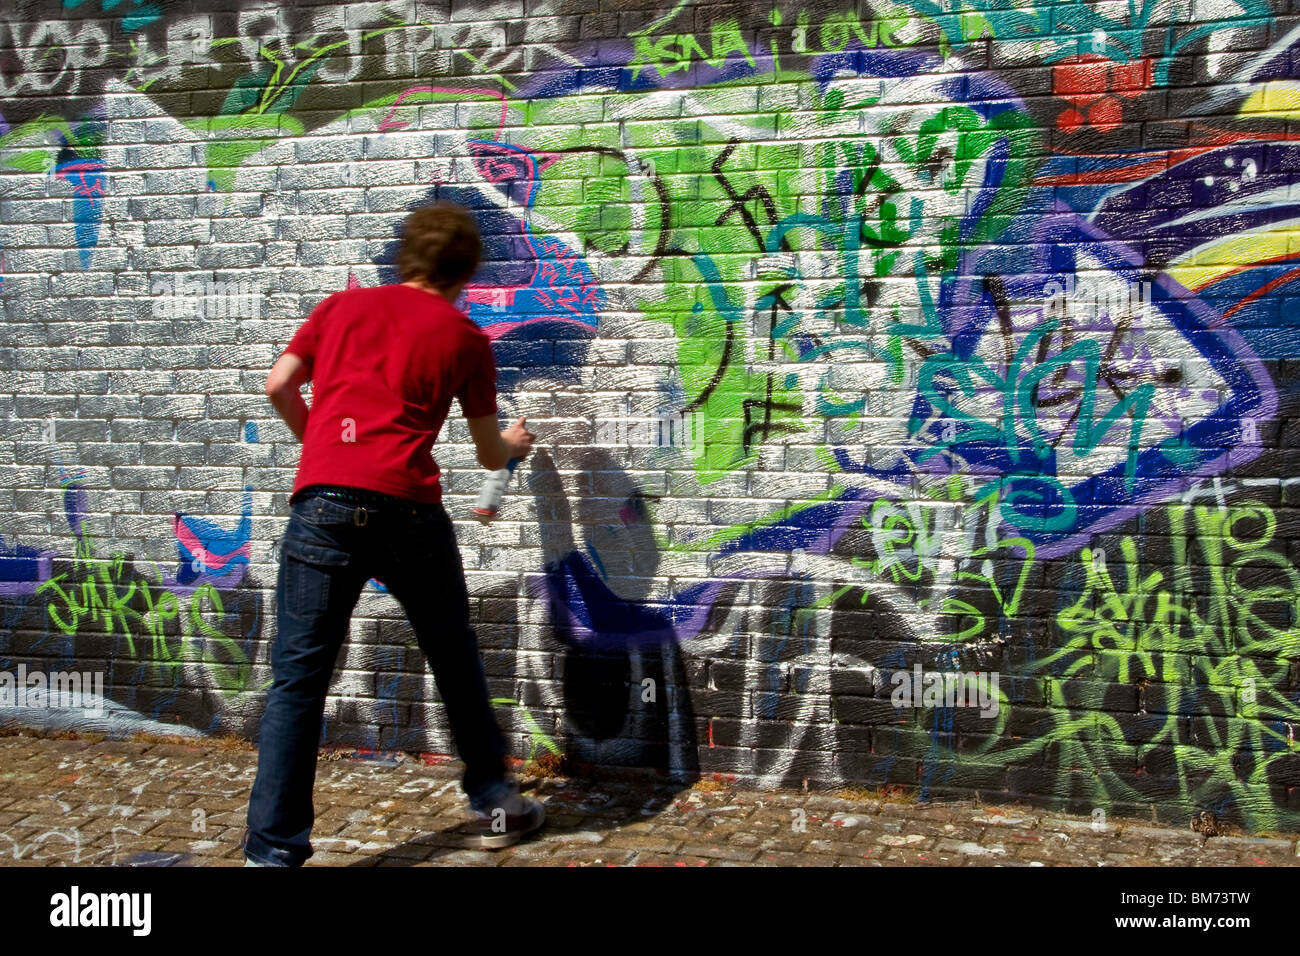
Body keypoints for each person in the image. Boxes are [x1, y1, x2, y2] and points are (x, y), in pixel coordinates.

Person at [243, 202, 541, 867]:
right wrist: (514, 442)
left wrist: (323, 451)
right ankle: (495, 802)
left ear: (405, 254)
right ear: (466, 271)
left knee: (297, 679)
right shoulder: (464, 336)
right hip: (406, 510)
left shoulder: (339, 309)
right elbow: (492, 454)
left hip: (322, 503)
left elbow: (279, 385)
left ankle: (271, 855)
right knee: (453, 657)